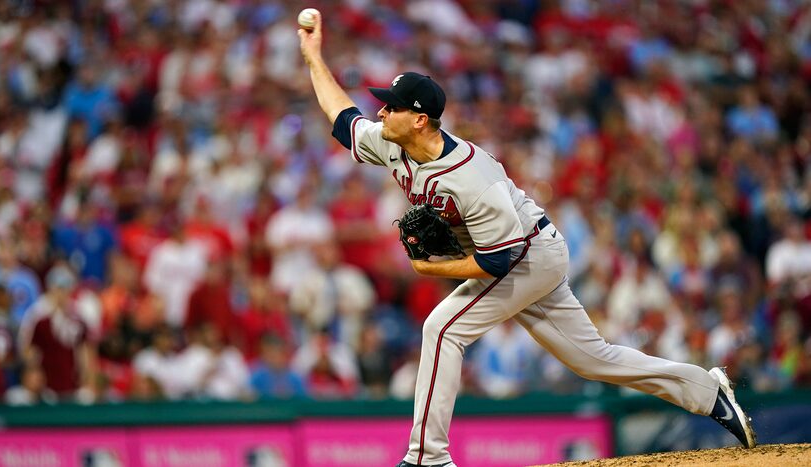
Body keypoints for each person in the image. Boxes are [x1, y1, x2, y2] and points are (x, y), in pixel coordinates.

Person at [298, 12, 757, 467]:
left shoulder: (473, 178)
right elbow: (344, 120)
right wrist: (314, 56)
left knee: (442, 329)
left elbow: (502, 261)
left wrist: (431, 268)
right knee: (593, 360)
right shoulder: (393, 142)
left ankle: (427, 458)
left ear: (419, 120)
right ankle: (707, 391)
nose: (381, 111)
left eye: (392, 106)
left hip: (527, 256)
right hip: (523, 253)